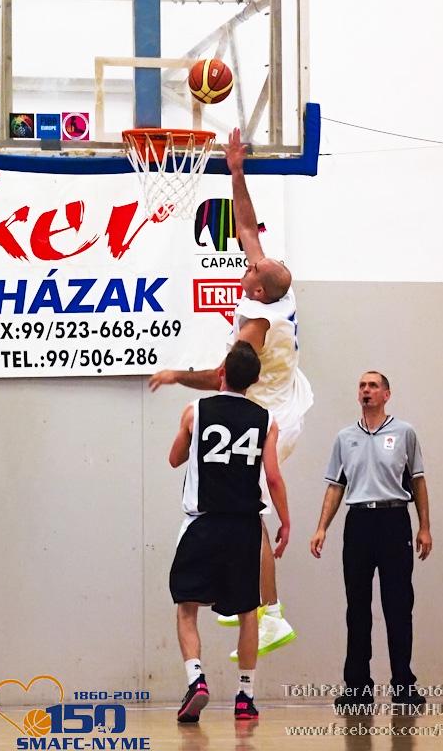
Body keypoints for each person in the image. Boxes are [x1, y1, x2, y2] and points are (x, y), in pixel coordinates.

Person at [150, 128, 313, 659]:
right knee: (239, 509)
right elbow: (246, 226)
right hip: (274, 397)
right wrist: (236, 171)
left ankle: (271, 615)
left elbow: (222, 376)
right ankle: (243, 595)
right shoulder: (269, 289)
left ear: (258, 289)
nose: (249, 259)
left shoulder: (258, 325)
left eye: (253, 266)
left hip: (272, 413)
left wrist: (176, 375)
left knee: (251, 511)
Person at [168, 341, 290, 722]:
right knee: (248, 612)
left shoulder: (195, 411)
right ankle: (245, 697)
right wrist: (285, 521)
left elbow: (174, 459)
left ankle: (196, 679)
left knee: (187, 607)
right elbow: (273, 477)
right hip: (244, 527)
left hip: (203, 523)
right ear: (254, 381)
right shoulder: (266, 420)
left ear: (221, 373)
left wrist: (191, 438)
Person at [310, 371, 432, 708]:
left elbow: (418, 481)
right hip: (359, 523)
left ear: (386, 394)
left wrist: (424, 526)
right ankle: (357, 689)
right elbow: (336, 486)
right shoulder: (344, 437)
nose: (366, 390)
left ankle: (403, 686)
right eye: (362, 386)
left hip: (394, 521)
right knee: (357, 608)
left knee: (398, 606)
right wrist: (322, 527)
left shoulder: (404, 433)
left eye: (373, 386)